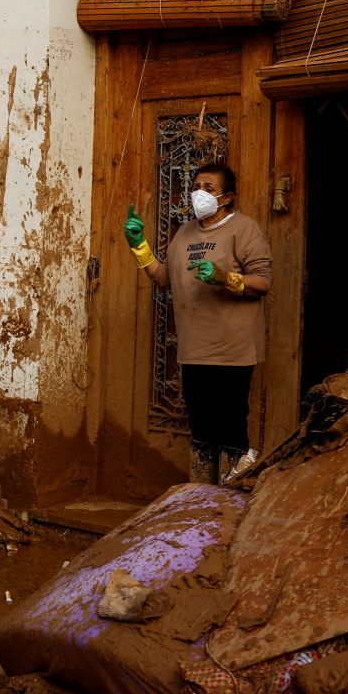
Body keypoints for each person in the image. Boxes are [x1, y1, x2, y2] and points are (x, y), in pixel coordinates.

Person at [124, 161, 272, 484]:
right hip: (193, 349)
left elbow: (262, 282)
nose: (199, 194)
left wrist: (225, 277)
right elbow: (164, 278)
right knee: (201, 430)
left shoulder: (244, 229)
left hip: (232, 351)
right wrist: (139, 246)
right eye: (196, 187)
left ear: (227, 198)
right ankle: (201, 499)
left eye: (209, 188)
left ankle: (229, 499)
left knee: (230, 426)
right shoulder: (185, 233)